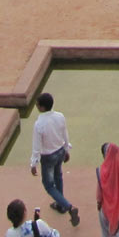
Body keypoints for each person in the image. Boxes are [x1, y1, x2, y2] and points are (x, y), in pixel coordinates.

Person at [29, 92, 80, 226]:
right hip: (60, 151)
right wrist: (67, 150)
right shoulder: (59, 116)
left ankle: (67, 206)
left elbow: (37, 146)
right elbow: (65, 134)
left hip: (48, 156)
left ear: (42, 107)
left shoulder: (39, 124)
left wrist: (33, 163)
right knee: (58, 176)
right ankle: (60, 204)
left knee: (49, 185)